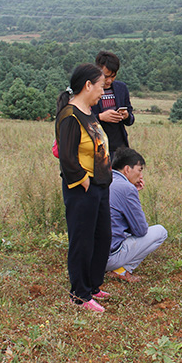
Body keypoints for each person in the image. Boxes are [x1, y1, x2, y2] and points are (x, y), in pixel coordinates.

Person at [55, 63, 113, 312]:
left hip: (100, 185)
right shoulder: (69, 115)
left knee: (102, 237)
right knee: (83, 240)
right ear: (88, 85)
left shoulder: (88, 112)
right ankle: (79, 294)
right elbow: (67, 157)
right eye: (101, 86)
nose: (103, 91)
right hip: (83, 188)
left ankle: (92, 285)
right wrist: (85, 181)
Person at [106, 147, 168, 282]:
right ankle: (123, 270)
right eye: (139, 170)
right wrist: (133, 192)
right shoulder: (126, 188)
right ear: (127, 169)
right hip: (109, 257)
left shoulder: (103, 180)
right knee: (160, 232)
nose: (141, 176)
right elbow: (140, 230)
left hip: (91, 256)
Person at [91, 51, 134, 152]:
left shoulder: (121, 88)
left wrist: (126, 115)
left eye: (113, 76)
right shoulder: (89, 89)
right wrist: (100, 117)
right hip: (97, 145)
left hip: (119, 146)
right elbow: (81, 119)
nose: (109, 81)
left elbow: (130, 119)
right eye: (106, 76)